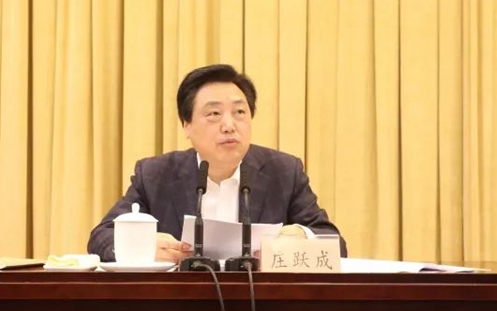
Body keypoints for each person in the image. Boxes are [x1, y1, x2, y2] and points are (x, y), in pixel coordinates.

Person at [88, 64, 347, 262]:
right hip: (178, 307)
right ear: (186, 125)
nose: (229, 125)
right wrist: (140, 246)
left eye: (239, 112)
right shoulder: (156, 175)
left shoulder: (284, 172)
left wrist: (302, 236)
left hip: (262, 309)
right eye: (214, 114)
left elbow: (335, 243)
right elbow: (101, 238)